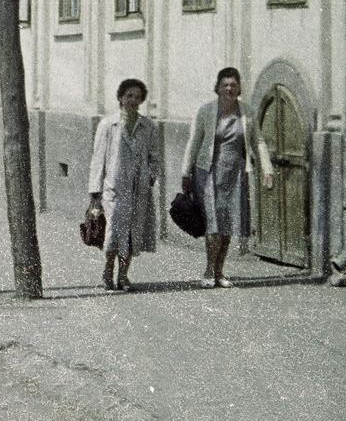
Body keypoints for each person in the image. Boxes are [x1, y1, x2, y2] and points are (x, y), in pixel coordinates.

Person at [180, 67, 274, 287]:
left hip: (236, 174)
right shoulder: (206, 111)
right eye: (225, 85)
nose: (230, 88)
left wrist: (267, 169)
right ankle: (208, 271)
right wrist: (185, 172)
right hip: (208, 172)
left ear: (239, 87)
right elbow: (193, 143)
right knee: (213, 224)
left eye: (234, 84)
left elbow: (258, 141)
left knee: (227, 224)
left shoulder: (247, 112)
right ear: (218, 87)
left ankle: (220, 272)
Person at [86, 78, 159, 292]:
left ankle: (124, 275)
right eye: (129, 96)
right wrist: (95, 192)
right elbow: (98, 158)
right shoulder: (109, 124)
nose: (133, 101)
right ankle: (108, 272)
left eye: (137, 97)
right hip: (114, 188)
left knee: (131, 234)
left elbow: (155, 157)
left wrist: (150, 176)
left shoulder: (148, 126)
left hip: (139, 189)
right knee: (114, 232)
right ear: (120, 98)